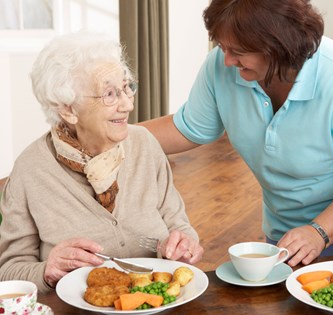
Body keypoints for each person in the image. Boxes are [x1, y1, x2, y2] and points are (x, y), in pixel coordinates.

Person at [140, 0, 333, 267]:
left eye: (238, 51)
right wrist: (110, 134)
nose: (228, 60)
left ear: (279, 47)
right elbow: (187, 128)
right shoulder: (222, 66)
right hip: (285, 228)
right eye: (223, 47)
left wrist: (318, 232)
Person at [0, 31, 203, 293]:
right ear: (68, 109)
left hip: (156, 303)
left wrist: (184, 245)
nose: (127, 104)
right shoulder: (30, 170)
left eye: (127, 87)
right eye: (109, 94)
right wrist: (46, 271)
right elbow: (8, 272)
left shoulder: (144, 145)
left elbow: (179, 225)